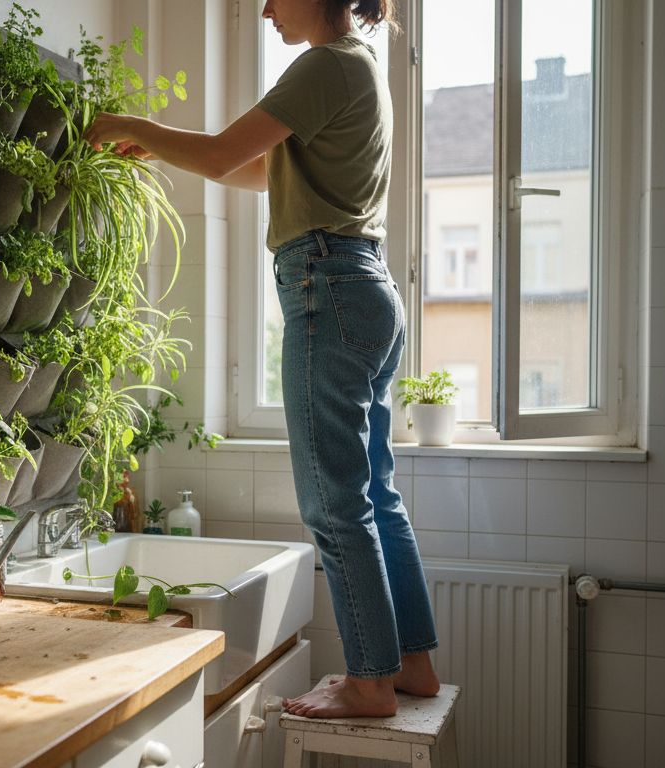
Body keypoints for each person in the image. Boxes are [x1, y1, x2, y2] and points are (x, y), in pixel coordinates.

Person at [83, 0, 439, 718]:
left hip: (328, 289)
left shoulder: (324, 65)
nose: (269, 8)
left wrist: (125, 125)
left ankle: (370, 681)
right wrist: (161, 147)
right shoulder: (361, 66)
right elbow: (258, 170)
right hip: (364, 291)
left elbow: (221, 153)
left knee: (334, 505)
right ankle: (411, 666)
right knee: (373, 495)